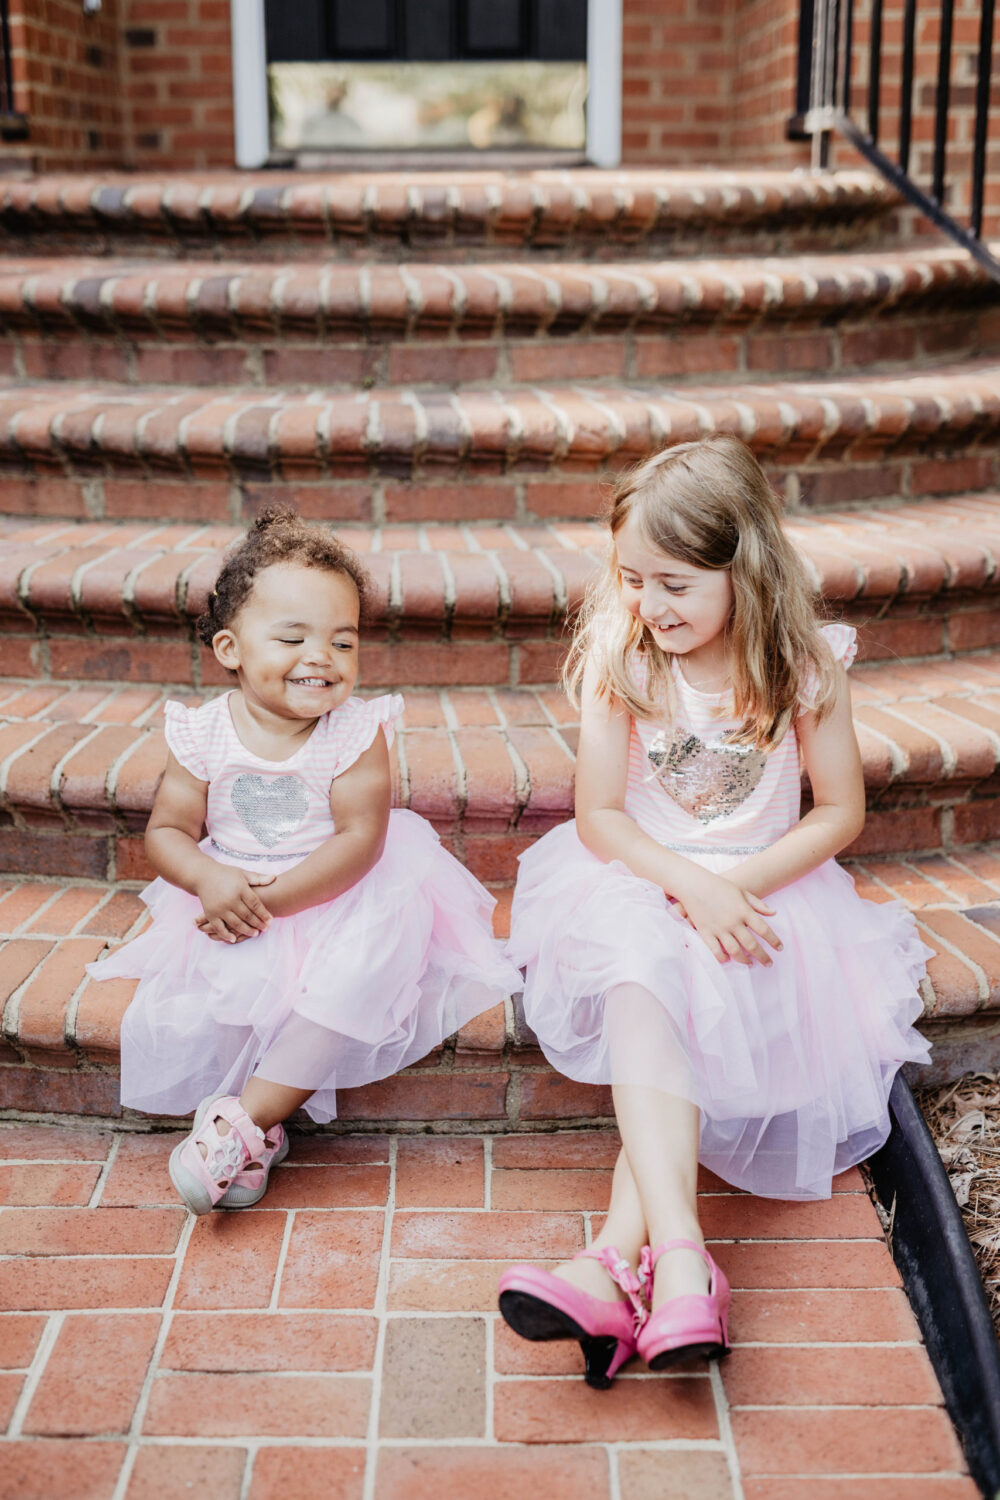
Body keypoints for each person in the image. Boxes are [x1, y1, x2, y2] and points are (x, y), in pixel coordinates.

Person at [498, 436, 930, 1387]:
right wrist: (689, 885)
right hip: (642, 877)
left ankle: (614, 1263)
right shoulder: (625, 658)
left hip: (766, 887)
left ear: (746, 569)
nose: (650, 606)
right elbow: (601, 816)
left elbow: (841, 811)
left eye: (676, 584)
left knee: (682, 1007)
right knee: (643, 968)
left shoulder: (804, 665)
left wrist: (738, 886)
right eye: (633, 579)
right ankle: (684, 1262)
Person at [88, 506, 521, 1215]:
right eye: (292, 636)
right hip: (233, 889)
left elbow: (360, 840)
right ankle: (259, 1135)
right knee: (228, 997)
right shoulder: (202, 734)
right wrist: (207, 878)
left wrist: (276, 902)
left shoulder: (354, 731)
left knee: (354, 976)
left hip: (339, 893)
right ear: (230, 647)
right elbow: (167, 829)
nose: (321, 656)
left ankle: (241, 1126)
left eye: (342, 642)